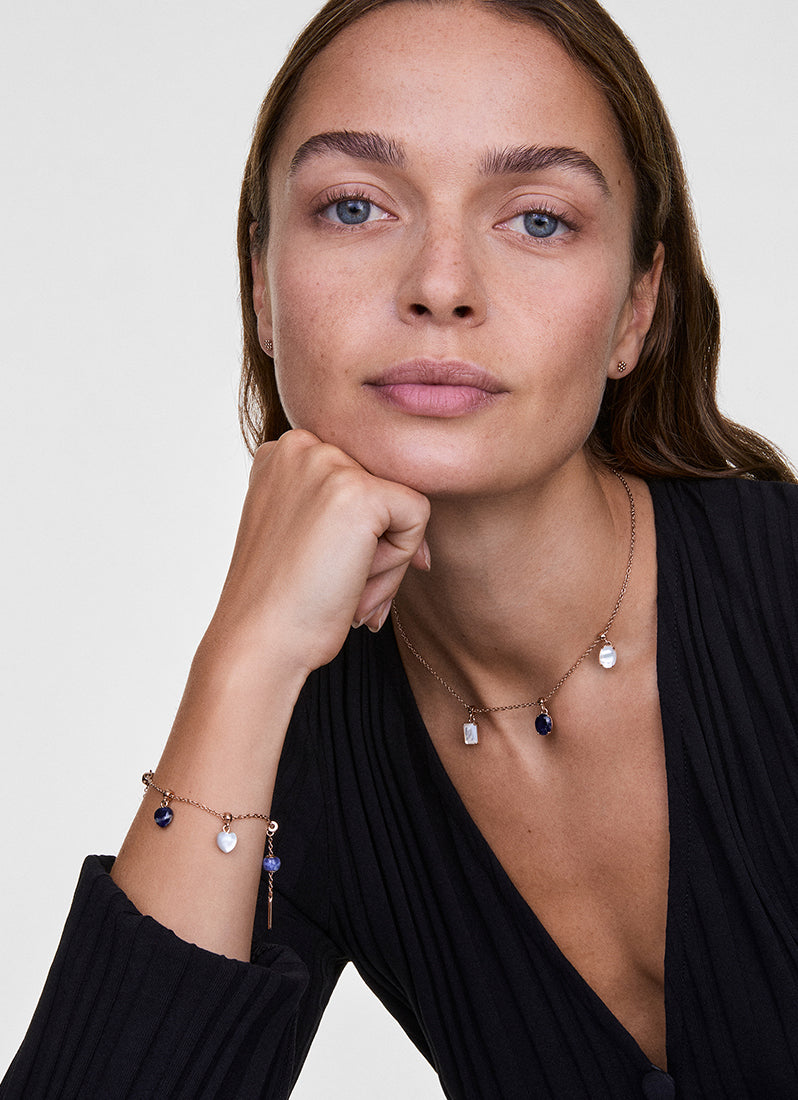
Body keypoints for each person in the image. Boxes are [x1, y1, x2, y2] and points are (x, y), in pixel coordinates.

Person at [4, 0, 798, 1096]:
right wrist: (245, 658)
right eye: (355, 206)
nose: (440, 285)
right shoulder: (308, 749)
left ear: (636, 310)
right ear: (261, 289)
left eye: (538, 219)